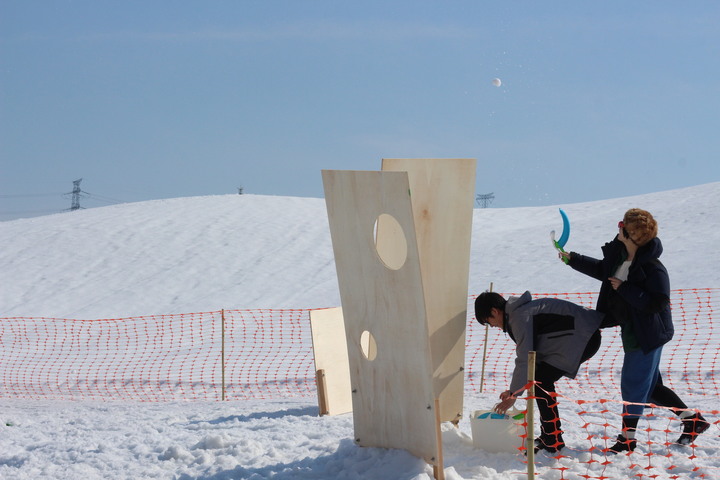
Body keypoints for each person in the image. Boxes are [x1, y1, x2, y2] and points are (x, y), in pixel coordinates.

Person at [559, 208, 710, 453]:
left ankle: (627, 439)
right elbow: (602, 271)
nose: (617, 227)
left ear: (630, 235)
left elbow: (658, 302)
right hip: (632, 329)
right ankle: (693, 420)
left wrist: (625, 289)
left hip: (647, 334)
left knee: (632, 385)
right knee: (649, 387)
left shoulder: (653, 267)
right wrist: (571, 258)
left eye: (621, 225)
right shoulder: (621, 259)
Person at [474, 290, 603, 454]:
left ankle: (552, 439)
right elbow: (532, 356)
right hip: (578, 336)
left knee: (541, 380)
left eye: (489, 321)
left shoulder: (519, 317)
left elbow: (525, 357)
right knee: (539, 380)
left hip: (584, 336)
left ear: (494, 311)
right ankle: (550, 435)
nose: (493, 326)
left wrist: (514, 393)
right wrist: (514, 390)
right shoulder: (517, 314)